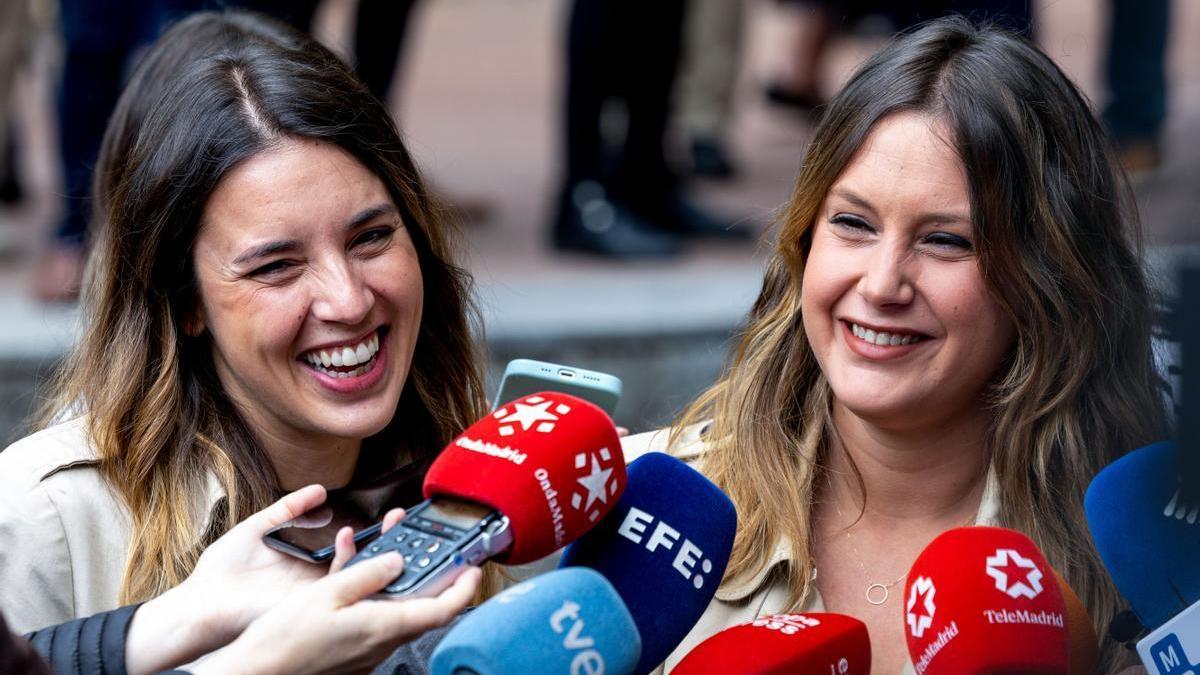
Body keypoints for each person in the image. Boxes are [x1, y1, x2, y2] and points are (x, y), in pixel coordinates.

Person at [625, 16, 1167, 673]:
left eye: (947, 240)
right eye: (853, 223)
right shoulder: (639, 503)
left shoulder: (1150, 559)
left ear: (1046, 276)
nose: (882, 284)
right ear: (802, 243)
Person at [0, 9, 488, 635]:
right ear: (185, 303)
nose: (348, 301)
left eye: (371, 237)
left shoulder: (515, 480)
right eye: (276, 266)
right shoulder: (48, 523)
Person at [10, 486, 479, 674]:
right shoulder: (40, 506)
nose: (347, 302)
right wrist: (265, 663)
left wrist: (195, 610)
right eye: (274, 269)